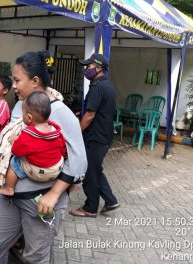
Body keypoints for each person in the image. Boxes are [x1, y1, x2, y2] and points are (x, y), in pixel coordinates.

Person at [0, 51, 87, 264]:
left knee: (35, 257)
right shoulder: (20, 106)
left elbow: (78, 160)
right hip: (10, 195)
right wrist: (1, 174)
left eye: (17, 80)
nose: (13, 85)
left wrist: (54, 194)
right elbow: (13, 147)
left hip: (40, 200)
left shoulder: (60, 112)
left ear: (35, 81)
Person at [69, 53, 120, 218]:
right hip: (104, 136)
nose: (86, 69)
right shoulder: (108, 86)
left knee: (90, 171)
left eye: (89, 66)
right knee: (94, 169)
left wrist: (76, 132)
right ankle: (110, 200)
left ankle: (90, 208)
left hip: (96, 137)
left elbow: (90, 115)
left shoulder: (98, 88)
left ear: (98, 68)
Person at [0, 91, 66, 196]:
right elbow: (63, 149)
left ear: (29, 118)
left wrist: (13, 141)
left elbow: (16, 151)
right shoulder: (55, 130)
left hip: (38, 172)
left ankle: (9, 188)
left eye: (23, 113)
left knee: (15, 161)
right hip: (56, 170)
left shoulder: (28, 134)